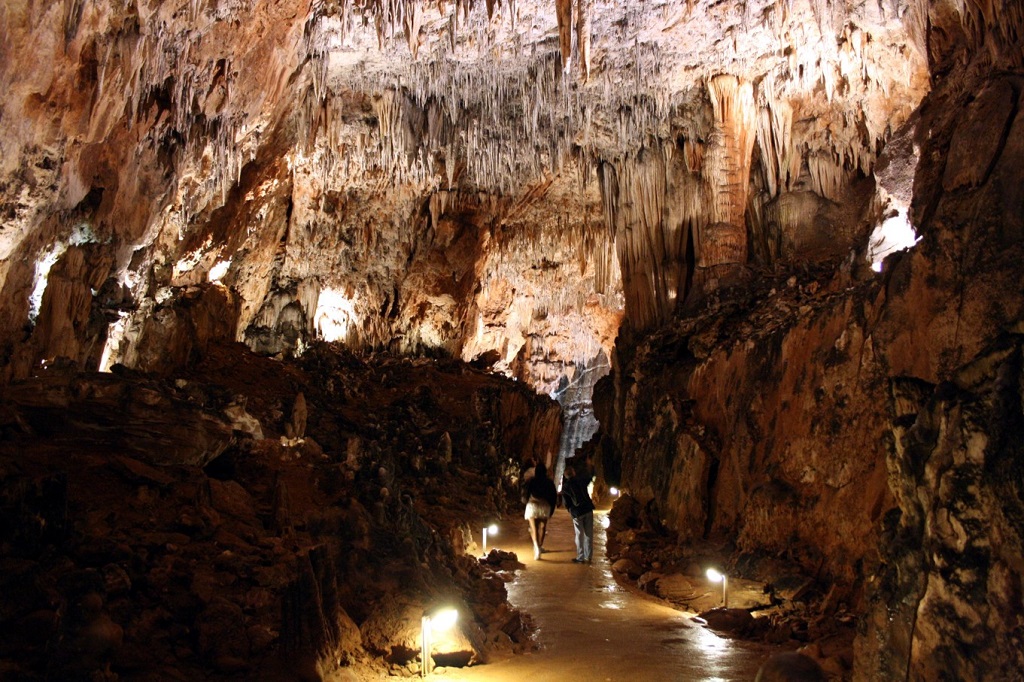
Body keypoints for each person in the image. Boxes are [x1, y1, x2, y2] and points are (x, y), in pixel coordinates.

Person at [561, 463, 595, 563]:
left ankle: (580, 557)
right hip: (588, 509)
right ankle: (588, 557)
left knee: (579, 535)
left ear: (566, 475)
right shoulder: (581, 480)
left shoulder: (566, 487)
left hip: (577, 513)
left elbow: (566, 503)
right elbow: (590, 477)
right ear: (574, 473)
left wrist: (570, 510)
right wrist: (591, 466)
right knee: (589, 534)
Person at [522, 462, 557, 560]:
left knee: (534, 528)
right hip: (544, 506)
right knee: (542, 527)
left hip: (532, 505)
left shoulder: (532, 481)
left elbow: (526, 494)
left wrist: (525, 504)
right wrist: (552, 510)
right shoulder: (549, 482)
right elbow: (553, 496)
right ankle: (540, 546)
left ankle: (536, 548)